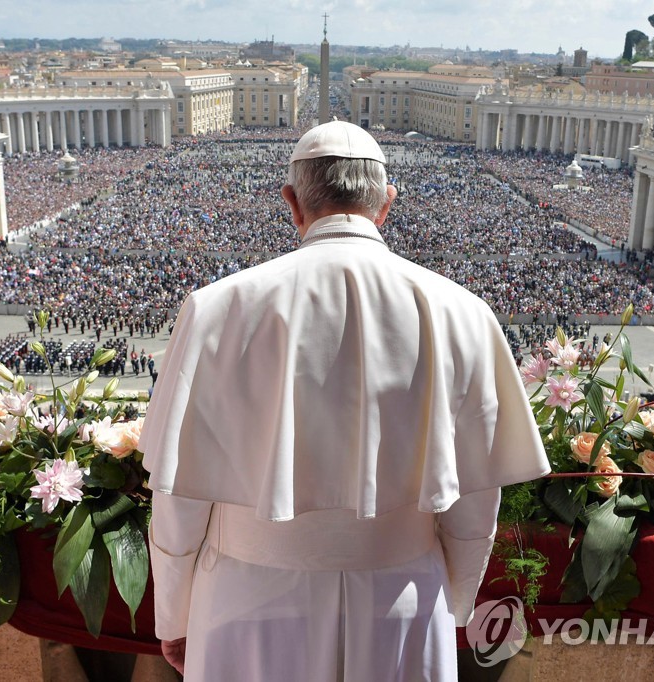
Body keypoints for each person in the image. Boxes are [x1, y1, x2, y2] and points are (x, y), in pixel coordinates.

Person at [139, 121, 550, 681]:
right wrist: (452, 603)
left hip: (247, 598)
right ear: (387, 205)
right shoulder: (465, 312)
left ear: (291, 203)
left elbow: (179, 496)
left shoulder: (216, 307)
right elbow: (475, 501)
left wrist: (174, 614)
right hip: (401, 596)